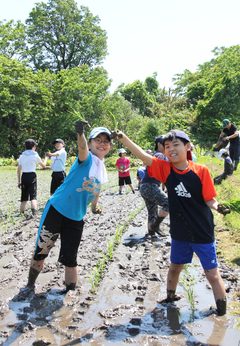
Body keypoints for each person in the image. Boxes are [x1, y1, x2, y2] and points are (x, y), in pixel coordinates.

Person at [112, 128, 230, 315]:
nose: (171, 149)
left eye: (176, 145)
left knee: (212, 274)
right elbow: (143, 155)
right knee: (175, 267)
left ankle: (221, 311)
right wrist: (123, 138)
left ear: (187, 146)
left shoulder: (201, 171)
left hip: (202, 231)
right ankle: (170, 297)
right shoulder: (166, 170)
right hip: (180, 231)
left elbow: (209, 198)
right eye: (167, 146)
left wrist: (219, 207)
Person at [24, 122, 112, 294]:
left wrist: (94, 207)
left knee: (70, 259)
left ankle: (70, 293)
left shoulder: (101, 169)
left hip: (76, 217)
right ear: (91, 143)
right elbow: (82, 147)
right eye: (97, 140)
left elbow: (96, 190)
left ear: (110, 146)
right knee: (42, 250)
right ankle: (29, 286)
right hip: (56, 210)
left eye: (106, 141)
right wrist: (81, 133)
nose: (102, 144)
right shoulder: (86, 160)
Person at [140, 136, 169, 237]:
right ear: (159, 145)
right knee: (169, 203)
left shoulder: (157, 155)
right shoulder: (160, 155)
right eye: (165, 144)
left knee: (152, 210)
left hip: (144, 186)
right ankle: (156, 225)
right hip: (150, 186)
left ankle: (151, 232)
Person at [17, 139, 48, 215]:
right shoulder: (35, 155)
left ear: (25, 146)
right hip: (32, 176)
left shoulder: (22, 156)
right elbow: (43, 165)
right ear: (34, 146)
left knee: (24, 196)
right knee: (33, 196)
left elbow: (18, 170)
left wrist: (19, 181)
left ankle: (22, 213)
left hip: (24, 176)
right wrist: (46, 158)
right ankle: (34, 212)